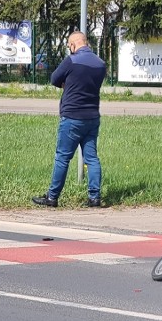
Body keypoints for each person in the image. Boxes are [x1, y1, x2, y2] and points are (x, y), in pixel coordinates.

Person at [32, 31, 107, 208]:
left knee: (63, 158)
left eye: (69, 46)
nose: (69, 49)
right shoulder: (100, 64)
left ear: (74, 44)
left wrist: (68, 83)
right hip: (92, 117)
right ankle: (94, 198)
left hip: (72, 117)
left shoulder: (71, 61)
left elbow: (54, 79)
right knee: (92, 158)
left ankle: (52, 197)